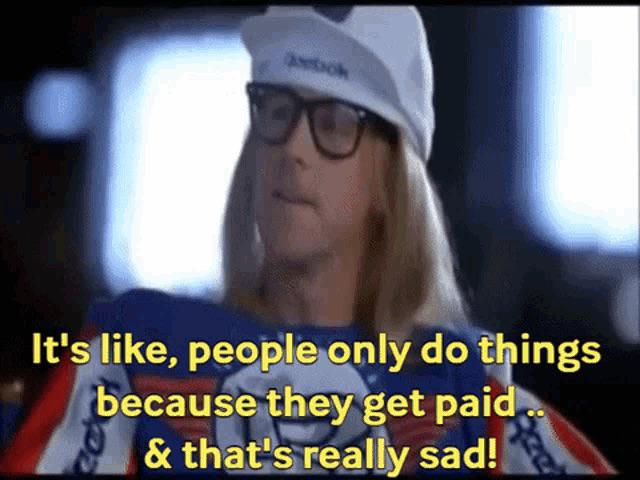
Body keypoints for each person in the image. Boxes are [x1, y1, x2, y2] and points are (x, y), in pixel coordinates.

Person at [0, 6, 616, 475]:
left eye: (334, 123)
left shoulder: (467, 393)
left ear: (390, 183)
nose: (293, 147)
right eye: (276, 112)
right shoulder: (136, 353)